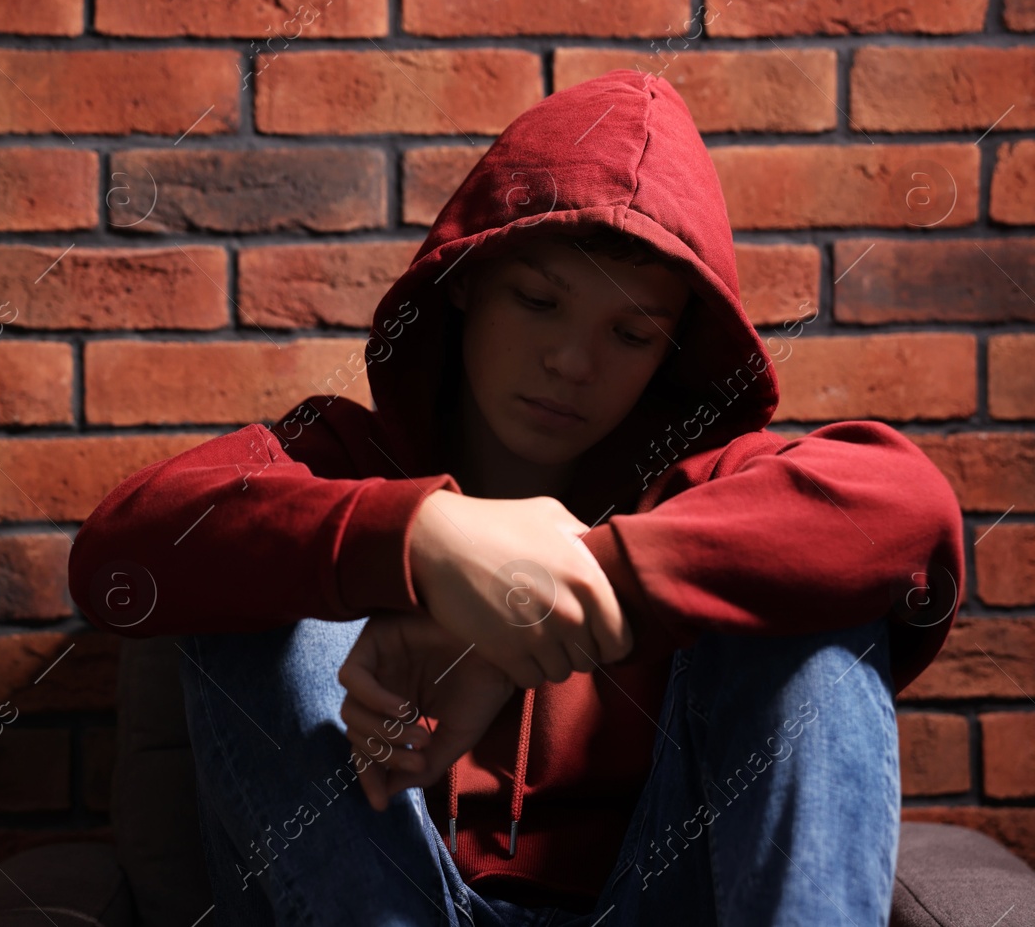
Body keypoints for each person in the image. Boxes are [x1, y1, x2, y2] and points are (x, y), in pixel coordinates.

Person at [68, 69, 966, 925]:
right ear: (465, 285)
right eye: (538, 301)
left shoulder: (703, 485)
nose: (574, 363)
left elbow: (907, 508)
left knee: (809, 617)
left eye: (629, 333)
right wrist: (426, 538)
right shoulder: (348, 454)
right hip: (379, 901)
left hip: (658, 904)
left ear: (670, 355)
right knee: (258, 583)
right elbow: (124, 546)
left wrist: (543, 599)